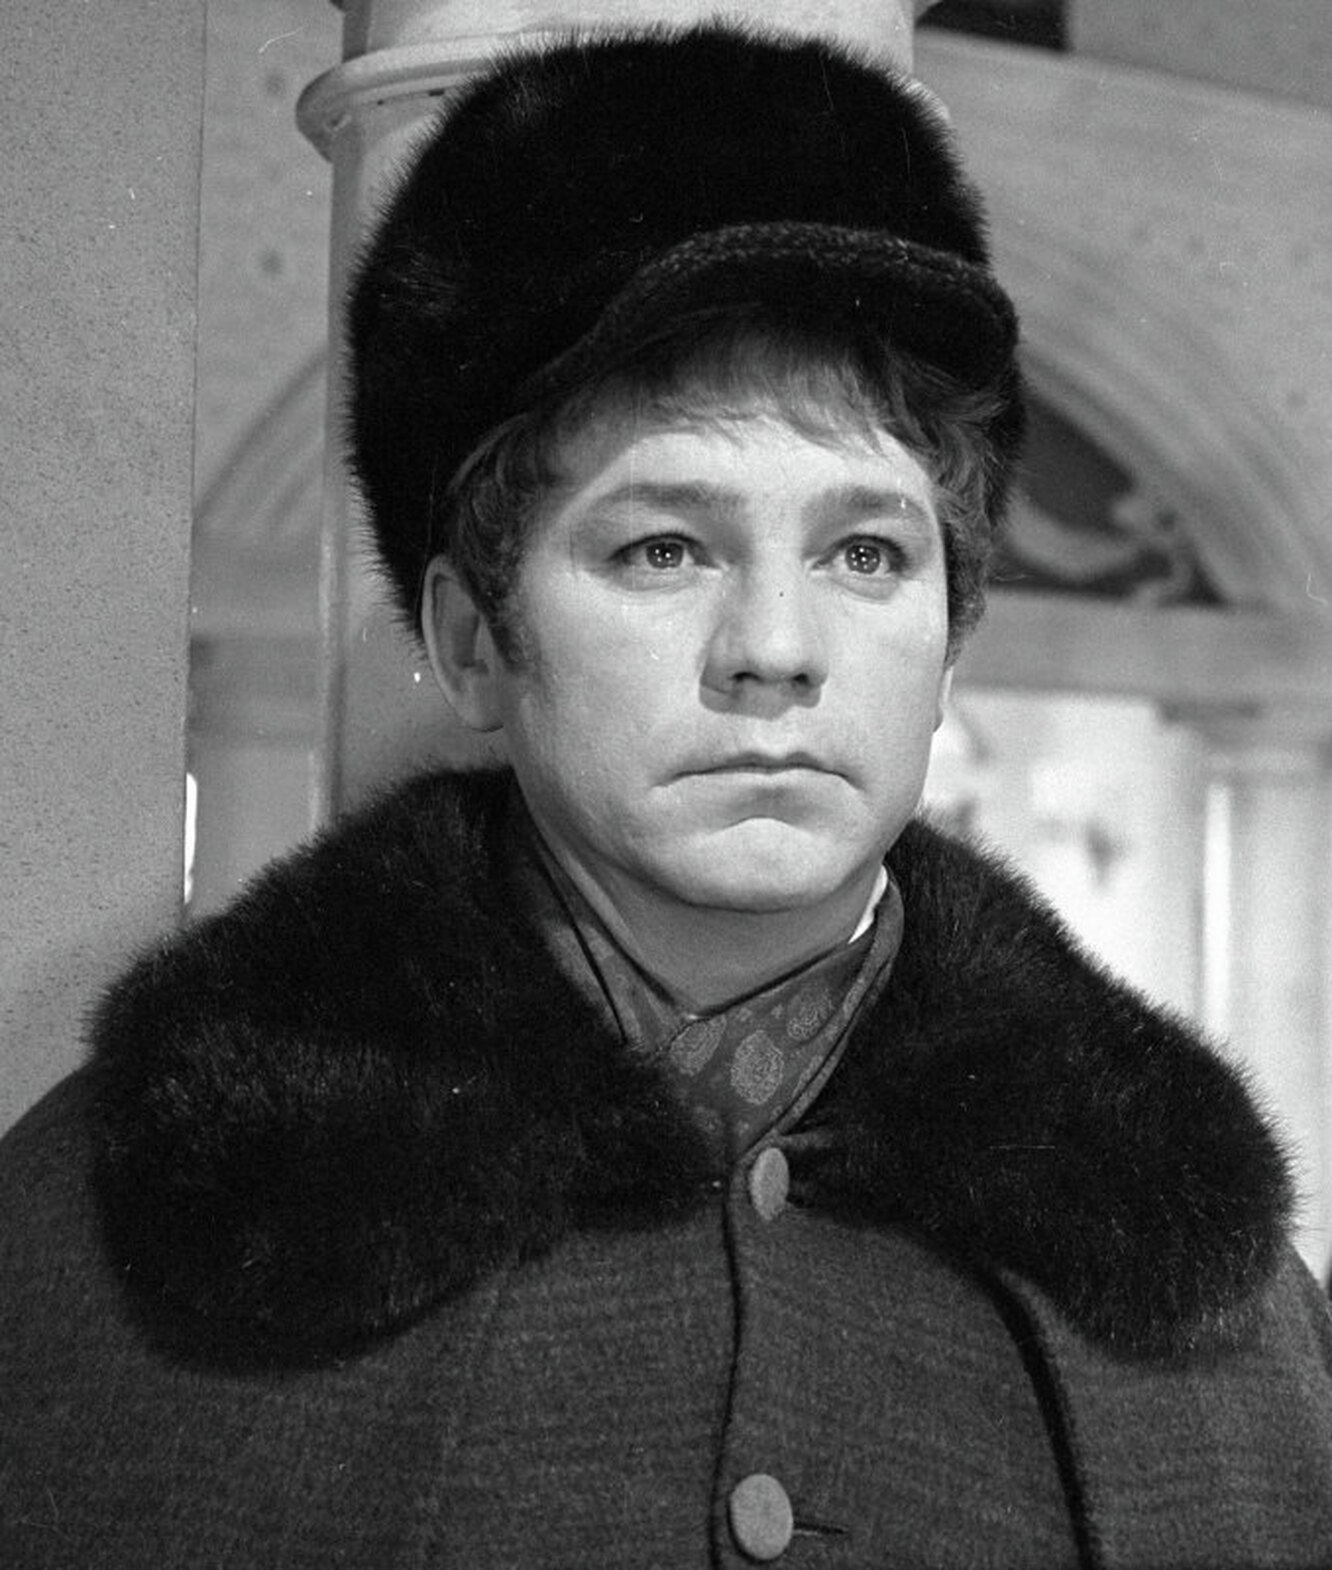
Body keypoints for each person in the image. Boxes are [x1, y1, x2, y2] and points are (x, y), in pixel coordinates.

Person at [3, 23, 1331, 1568]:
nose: (776, 649)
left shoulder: (1215, 1299)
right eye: (662, 548)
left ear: (951, 640)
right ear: (473, 639)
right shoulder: (106, 1240)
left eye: (867, 553)